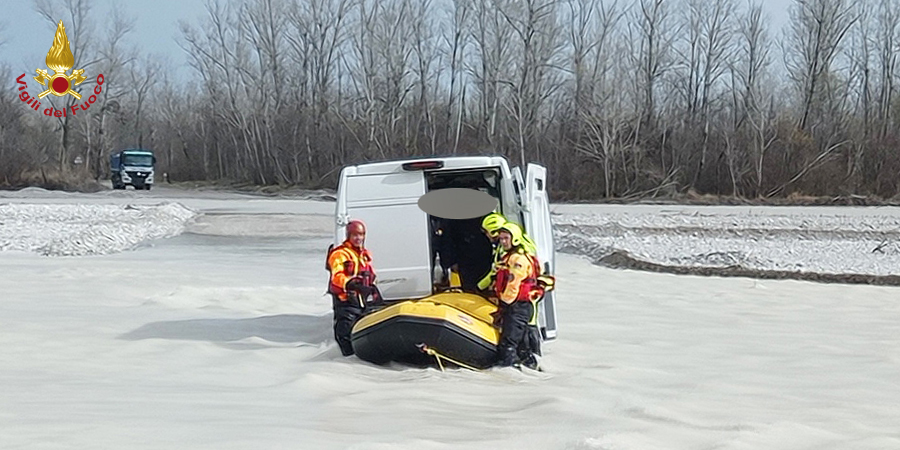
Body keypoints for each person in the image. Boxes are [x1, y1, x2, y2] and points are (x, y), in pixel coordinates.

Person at [492, 222, 545, 369]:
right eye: (501, 239)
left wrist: (503, 303)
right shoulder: (509, 258)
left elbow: (513, 285)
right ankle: (531, 369)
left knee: (508, 345)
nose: (503, 242)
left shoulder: (517, 260)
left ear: (514, 238)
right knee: (521, 346)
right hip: (518, 306)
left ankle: (511, 373)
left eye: (506, 238)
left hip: (517, 306)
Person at [327, 219, 380, 356]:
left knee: (360, 334)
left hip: (360, 302)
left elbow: (370, 273)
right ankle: (346, 360)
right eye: (355, 235)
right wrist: (350, 284)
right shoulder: (340, 254)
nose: (359, 238)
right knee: (345, 334)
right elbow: (336, 275)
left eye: (361, 235)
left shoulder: (364, 255)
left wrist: (371, 289)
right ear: (349, 236)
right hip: (345, 302)